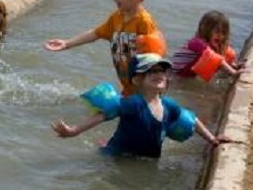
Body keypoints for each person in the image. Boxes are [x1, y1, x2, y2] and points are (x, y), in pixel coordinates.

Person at [52, 53, 232, 158]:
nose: (159, 74)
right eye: (152, 71)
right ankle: (105, 144)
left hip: (147, 158)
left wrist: (212, 139)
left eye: (162, 70)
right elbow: (104, 115)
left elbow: (192, 119)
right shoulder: (134, 104)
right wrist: (74, 131)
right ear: (138, 79)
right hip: (118, 156)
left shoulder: (170, 106)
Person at [45, 0, 164, 96]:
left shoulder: (144, 22)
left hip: (144, 91)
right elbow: (96, 33)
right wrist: (67, 43)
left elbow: (153, 58)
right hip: (127, 88)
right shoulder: (117, 17)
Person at [171, 10, 244, 81]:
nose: (220, 36)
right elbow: (214, 58)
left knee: (219, 54)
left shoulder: (214, 45)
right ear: (206, 29)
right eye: (217, 31)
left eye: (223, 33)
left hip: (187, 74)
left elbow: (222, 58)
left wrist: (234, 66)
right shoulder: (197, 42)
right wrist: (233, 72)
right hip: (175, 75)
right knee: (212, 57)